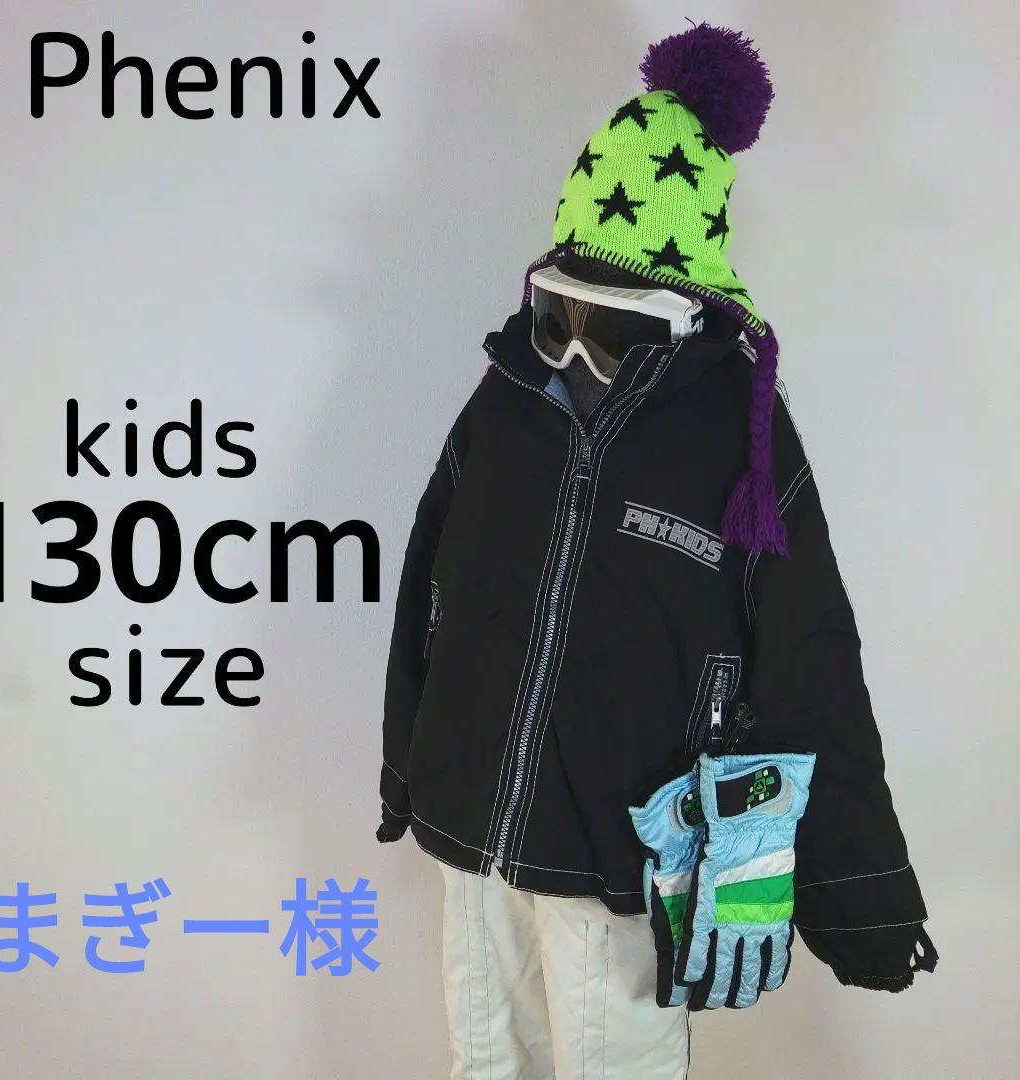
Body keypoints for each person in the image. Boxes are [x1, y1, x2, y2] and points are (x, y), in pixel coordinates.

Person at [378, 23, 936, 1079]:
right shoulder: (508, 398)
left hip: (623, 858)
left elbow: (811, 657)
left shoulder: (737, 437)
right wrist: (409, 769)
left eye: (616, 327)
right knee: (482, 1062)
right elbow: (430, 591)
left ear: (686, 306)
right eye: (565, 315)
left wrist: (858, 896)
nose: (576, 349)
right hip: (471, 835)